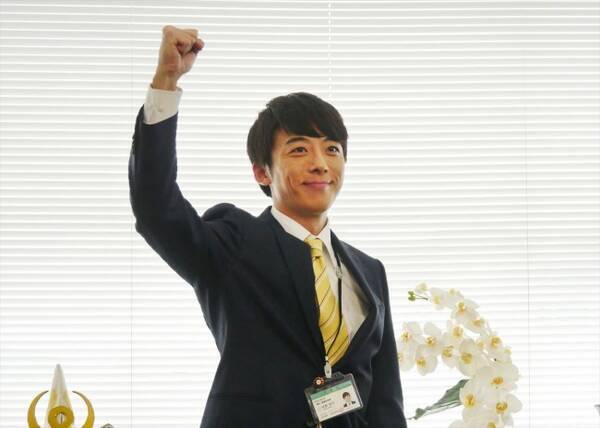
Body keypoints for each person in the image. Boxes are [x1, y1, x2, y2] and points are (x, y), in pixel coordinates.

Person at [128, 25, 407, 427]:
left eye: (332, 149)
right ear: (262, 172)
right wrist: (166, 82)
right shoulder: (234, 243)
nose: (319, 164)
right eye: (299, 149)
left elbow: (385, 398)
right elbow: (156, 210)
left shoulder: (369, 270)